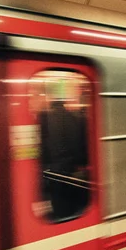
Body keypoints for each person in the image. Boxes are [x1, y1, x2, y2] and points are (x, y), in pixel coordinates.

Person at [37, 82, 88, 220]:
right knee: (69, 200)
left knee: (58, 200)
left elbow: (43, 145)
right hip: (69, 167)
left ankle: (61, 218)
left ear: (50, 99)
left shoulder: (44, 118)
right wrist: (79, 163)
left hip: (53, 167)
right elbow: (77, 143)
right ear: (64, 99)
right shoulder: (73, 118)